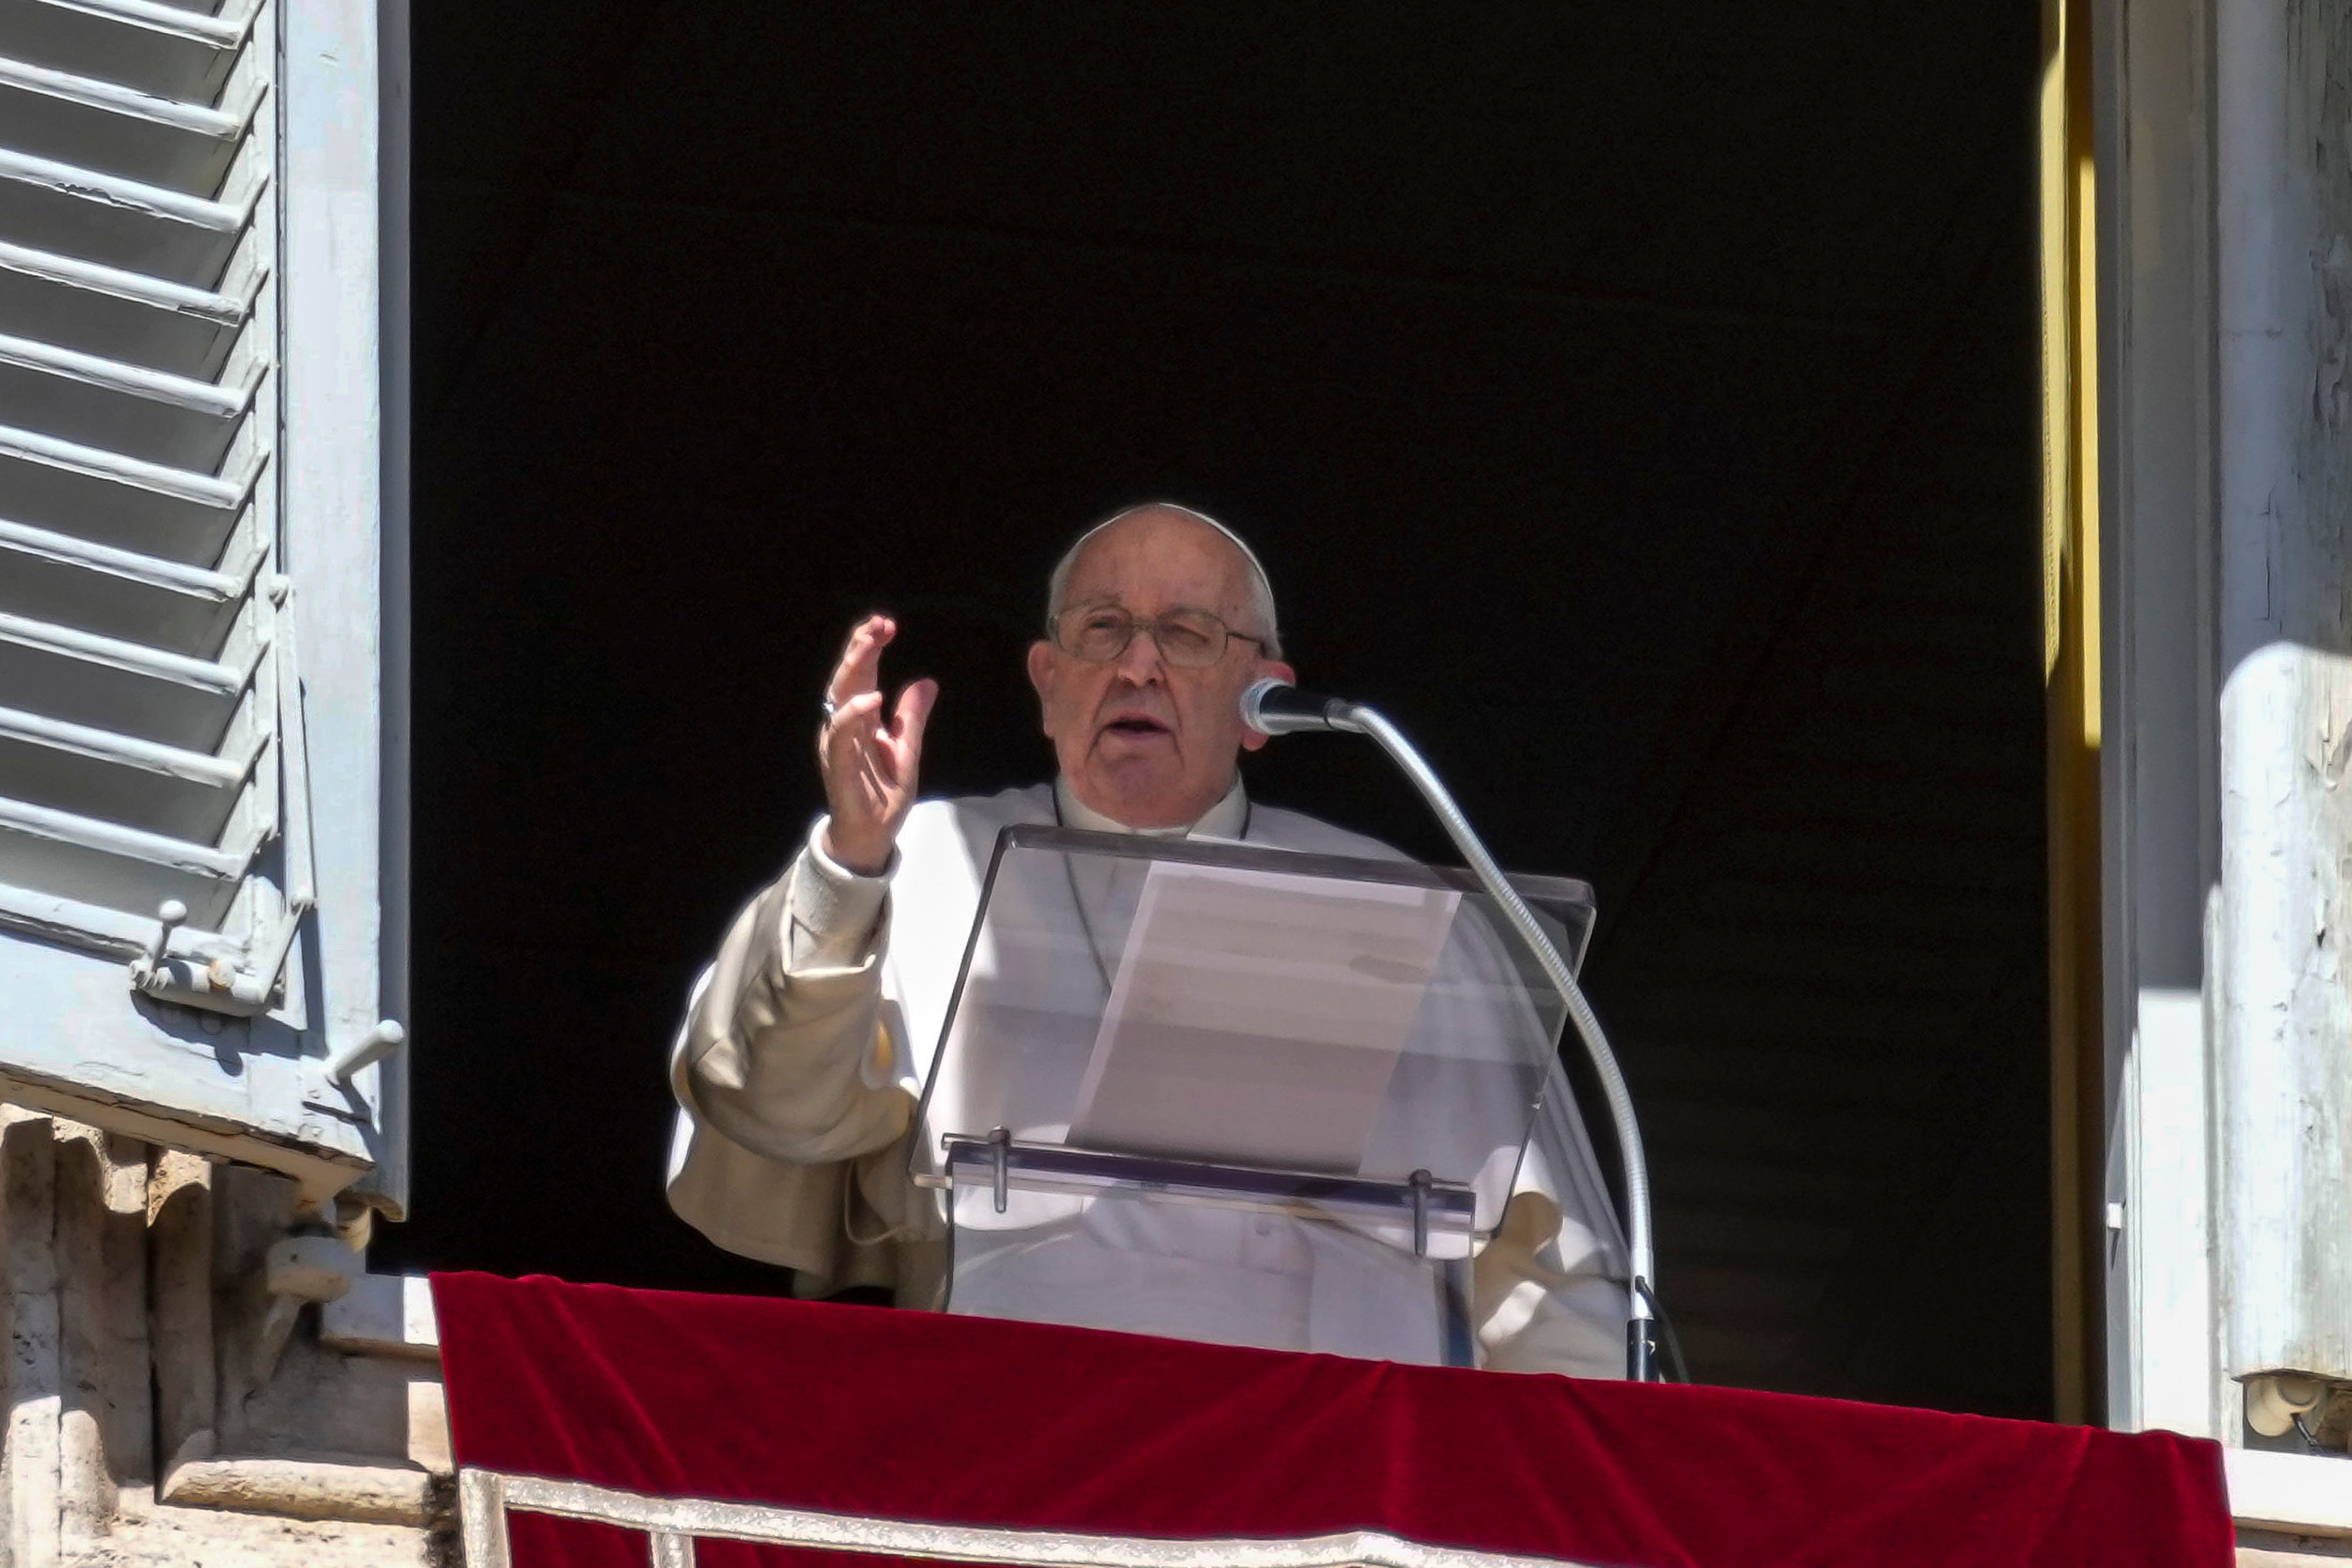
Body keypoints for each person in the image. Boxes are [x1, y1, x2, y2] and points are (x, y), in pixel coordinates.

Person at [665, 503, 1628, 1373]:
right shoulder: (919, 867)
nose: (1138, 664)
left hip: (1339, 1503)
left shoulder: (1411, 911)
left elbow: (1558, 1289)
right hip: (1026, 1467)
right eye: (1103, 628)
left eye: (1186, 633)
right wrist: (850, 864)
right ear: (1049, 684)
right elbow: (766, 1103)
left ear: (1264, 699)